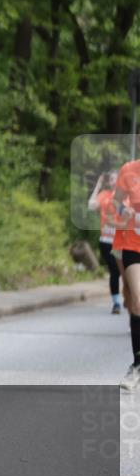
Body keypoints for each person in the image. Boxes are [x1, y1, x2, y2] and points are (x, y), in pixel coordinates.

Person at [111, 160, 140, 391]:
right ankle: (137, 366)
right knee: (138, 301)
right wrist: (124, 210)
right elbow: (115, 200)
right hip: (133, 244)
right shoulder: (128, 170)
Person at [88, 171, 124, 313]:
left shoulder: (124, 196)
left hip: (123, 241)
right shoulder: (104, 195)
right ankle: (116, 303)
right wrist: (98, 184)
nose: (112, 181)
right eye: (110, 179)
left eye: (115, 178)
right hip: (106, 241)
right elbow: (91, 205)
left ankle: (128, 297)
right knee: (114, 271)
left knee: (123, 273)